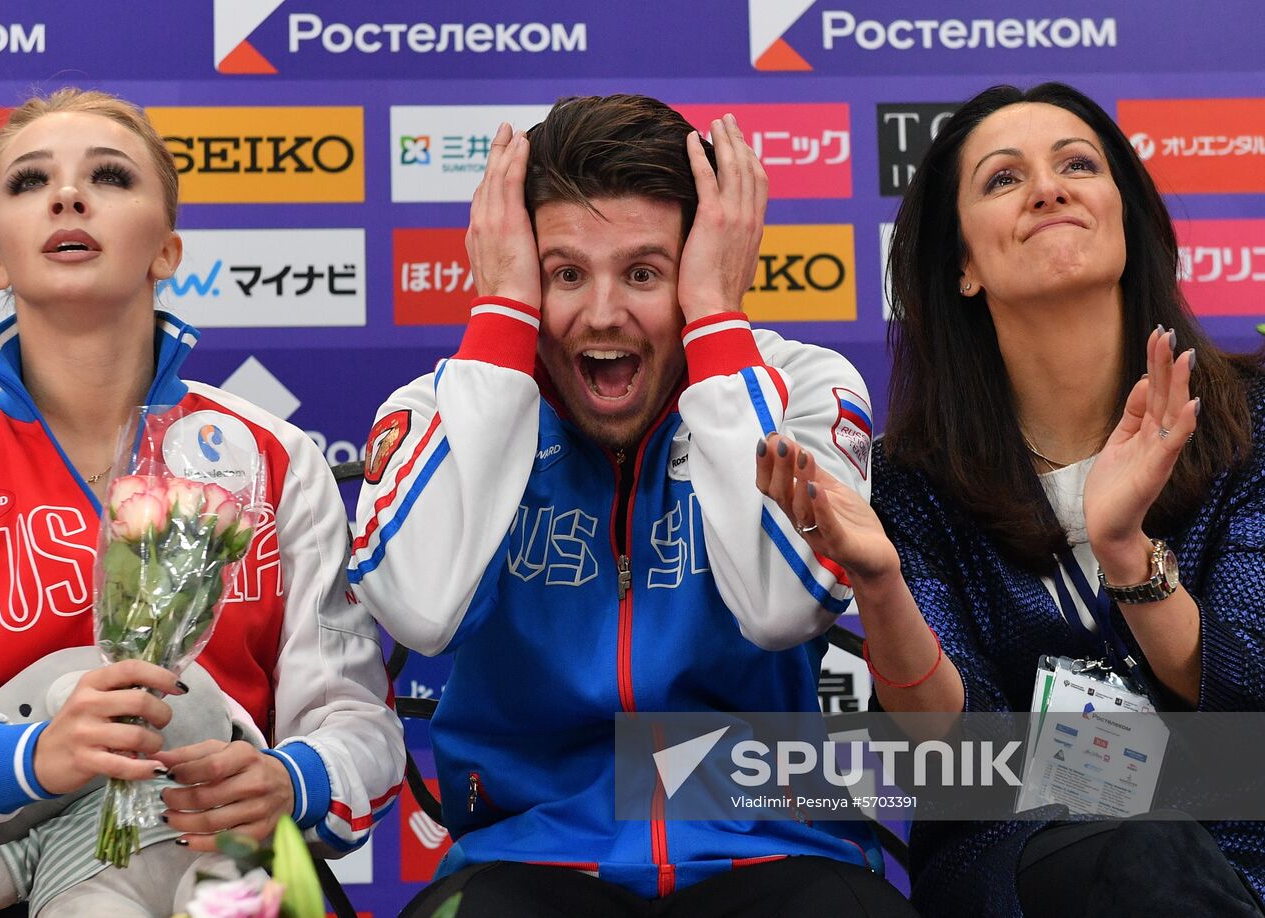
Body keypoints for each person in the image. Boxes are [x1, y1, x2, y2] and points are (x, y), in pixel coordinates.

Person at [351, 94, 918, 917]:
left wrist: (718, 324)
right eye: (564, 274)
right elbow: (421, 613)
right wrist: (503, 324)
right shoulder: (450, 407)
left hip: (775, 855)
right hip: (529, 861)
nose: (604, 312)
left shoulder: (797, 387)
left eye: (644, 273)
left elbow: (781, 608)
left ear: (699, 267)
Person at [0, 88, 404, 916]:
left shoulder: (275, 459)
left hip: (227, 877)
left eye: (110, 176)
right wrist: (27, 759)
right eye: (28, 181)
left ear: (166, 250)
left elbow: (358, 726)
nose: (68, 196)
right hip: (3, 886)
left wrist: (289, 781)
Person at [756, 82, 1265, 916]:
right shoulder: (910, 484)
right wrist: (881, 586)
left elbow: (1249, 682)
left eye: (1077, 165)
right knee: (1133, 848)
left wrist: (1126, 553)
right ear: (962, 264)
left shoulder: (1252, 420)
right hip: (1024, 852)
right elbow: (956, 753)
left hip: (1243, 831)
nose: (1048, 188)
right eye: (1003, 178)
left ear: (1129, 222)